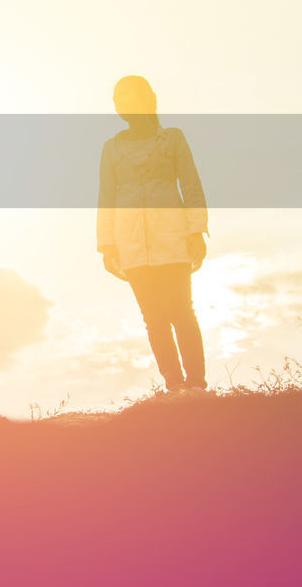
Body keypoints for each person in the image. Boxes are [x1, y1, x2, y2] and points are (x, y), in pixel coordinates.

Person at [97, 75, 209, 394]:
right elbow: (106, 197)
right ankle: (174, 386)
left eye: (126, 95)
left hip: (172, 237)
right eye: (116, 98)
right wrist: (107, 245)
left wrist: (196, 231)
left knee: (182, 311)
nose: (119, 103)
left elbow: (191, 187)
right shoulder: (111, 148)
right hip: (129, 242)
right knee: (154, 318)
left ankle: (197, 385)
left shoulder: (172, 138)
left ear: (147, 98)